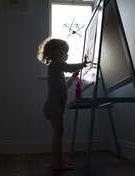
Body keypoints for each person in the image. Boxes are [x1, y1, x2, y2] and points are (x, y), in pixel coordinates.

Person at [37, 38, 89, 171]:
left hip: (55, 106)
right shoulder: (55, 65)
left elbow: (64, 87)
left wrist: (72, 78)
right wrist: (83, 64)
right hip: (53, 106)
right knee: (58, 132)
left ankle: (58, 160)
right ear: (55, 52)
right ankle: (56, 162)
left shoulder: (58, 70)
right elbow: (69, 66)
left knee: (59, 132)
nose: (67, 55)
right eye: (66, 52)